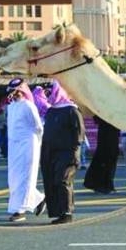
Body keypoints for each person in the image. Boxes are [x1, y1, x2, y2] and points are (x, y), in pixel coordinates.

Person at [40, 81, 83, 224]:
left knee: (63, 180)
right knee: (53, 181)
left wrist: (74, 152)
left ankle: (67, 212)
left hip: (67, 153)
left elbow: (79, 133)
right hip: (51, 153)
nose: (48, 95)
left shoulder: (71, 110)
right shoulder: (52, 110)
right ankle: (59, 212)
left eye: (50, 92)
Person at [5, 78, 45, 223]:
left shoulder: (29, 106)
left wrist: (37, 143)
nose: (14, 94)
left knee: (25, 177)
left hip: (28, 145)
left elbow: (38, 127)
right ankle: (39, 199)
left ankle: (19, 210)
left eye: (17, 91)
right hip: (14, 146)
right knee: (14, 178)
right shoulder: (11, 107)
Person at [83, 115, 120, 195]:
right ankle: (104, 185)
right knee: (107, 161)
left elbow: (96, 119)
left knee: (106, 161)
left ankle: (106, 185)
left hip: (107, 138)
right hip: (108, 138)